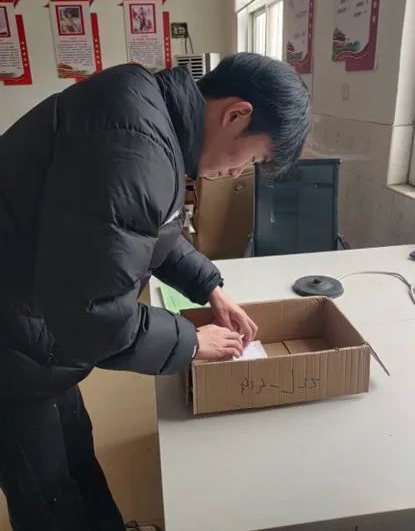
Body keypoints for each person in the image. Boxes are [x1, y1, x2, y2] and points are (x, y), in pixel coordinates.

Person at [0, 52, 310, 531]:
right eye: (251, 158)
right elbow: (94, 315)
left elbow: (143, 228)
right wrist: (193, 342)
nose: (237, 172)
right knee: (48, 493)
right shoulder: (134, 145)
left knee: (75, 453)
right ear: (236, 114)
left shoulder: (145, 112)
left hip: (34, 327)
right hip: (12, 339)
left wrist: (210, 288)